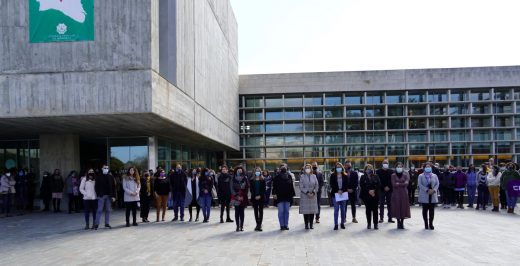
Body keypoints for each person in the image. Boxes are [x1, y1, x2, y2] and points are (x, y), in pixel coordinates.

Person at [272, 163, 296, 231]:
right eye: (282, 167)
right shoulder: (276, 177)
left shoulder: (289, 176)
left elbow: (291, 187)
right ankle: (282, 225)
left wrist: (292, 196)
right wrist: (274, 194)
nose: (283, 168)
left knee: (287, 212)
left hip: (288, 197)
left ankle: (286, 225)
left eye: (284, 166)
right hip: (279, 197)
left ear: (286, 168)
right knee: (281, 211)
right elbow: (274, 187)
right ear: (280, 168)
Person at [418, 162, 439, 230]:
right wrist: (427, 190)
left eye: (429, 167)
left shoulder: (434, 175)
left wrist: (434, 190)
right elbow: (420, 185)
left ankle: (431, 223)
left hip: (432, 195)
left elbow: (437, 184)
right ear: (424, 168)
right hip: (424, 195)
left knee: (432, 211)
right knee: (424, 211)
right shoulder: (421, 176)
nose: (428, 168)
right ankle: (426, 223)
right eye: (426, 167)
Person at [94, 165, 116, 229]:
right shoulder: (98, 177)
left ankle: (107, 223)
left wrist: (114, 196)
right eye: (104, 168)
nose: (106, 169)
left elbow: (113, 187)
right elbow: (96, 186)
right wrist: (98, 194)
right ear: (102, 168)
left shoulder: (111, 177)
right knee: (99, 210)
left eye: (107, 168)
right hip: (101, 196)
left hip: (109, 196)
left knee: (108, 210)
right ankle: (96, 224)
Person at [390, 162, 411, 229]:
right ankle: (398, 221)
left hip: (404, 193)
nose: (399, 168)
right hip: (396, 193)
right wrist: (402, 183)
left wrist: (398, 183)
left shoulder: (406, 174)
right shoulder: (393, 175)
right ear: (396, 168)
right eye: (398, 166)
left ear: (402, 167)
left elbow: (406, 183)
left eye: (400, 166)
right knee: (397, 206)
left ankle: (402, 222)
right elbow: (393, 184)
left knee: (403, 207)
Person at [360, 164, 381, 230]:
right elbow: (362, 186)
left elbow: (379, 184)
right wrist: (369, 191)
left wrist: (374, 191)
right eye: (368, 169)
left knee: (375, 210)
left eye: (371, 168)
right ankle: (369, 223)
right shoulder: (362, 177)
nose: (369, 170)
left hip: (375, 195)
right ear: (365, 170)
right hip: (366, 196)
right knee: (368, 210)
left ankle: (375, 224)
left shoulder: (376, 176)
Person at [299, 164, 319, 230]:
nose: (307, 169)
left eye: (309, 168)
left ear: (311, 169)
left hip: (313, 196)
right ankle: (306, 225)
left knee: (312, 211)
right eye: (306, 168)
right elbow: (301, 186)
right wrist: (307, 192)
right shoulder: (302, 176)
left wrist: (313, 192)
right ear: (304, 169)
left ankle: (311, 224)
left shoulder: (314, 176)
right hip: (305, 196)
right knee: (306, 212)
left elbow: (317, 185)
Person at [329, 162, 348, 230]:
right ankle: (336, 224)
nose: (338, 168)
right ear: (335, 168)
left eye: (340, 167)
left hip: (343, 194)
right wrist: (338, 190)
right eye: (337, 167)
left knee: (343, 210)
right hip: (335, 194)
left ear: (342, 168)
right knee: (336, 209)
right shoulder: (333, 176)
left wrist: (342, 190)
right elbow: (331, 184)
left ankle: (342, 223)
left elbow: (346, 184)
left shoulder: (345, 175)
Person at [231, 166, 249, 231]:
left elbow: (247, 188)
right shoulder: (233, 178)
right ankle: (237, 226)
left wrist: (243, 196)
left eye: (241, 170)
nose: (239, 171)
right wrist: (236, 196)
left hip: (243, 197)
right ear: (236, 171)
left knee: (242, 212)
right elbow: (231, 188)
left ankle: (241, 226)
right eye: (238, 170)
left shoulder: (245, 178)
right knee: (237, 212)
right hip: (235, 197)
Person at [250, 167, 266, 231]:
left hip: (261, 197)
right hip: (254, 197)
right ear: (254, 172)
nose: (257, 172)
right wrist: (255, 196)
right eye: (256, 171)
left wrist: (260, 195)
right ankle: (257, 224)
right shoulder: (252, 180)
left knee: (261, 211)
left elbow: (264, 189)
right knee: (255, 211)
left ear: (260, 172)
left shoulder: (263, 179)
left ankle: (260, 224)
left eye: (258, 171)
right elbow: (251, 189)